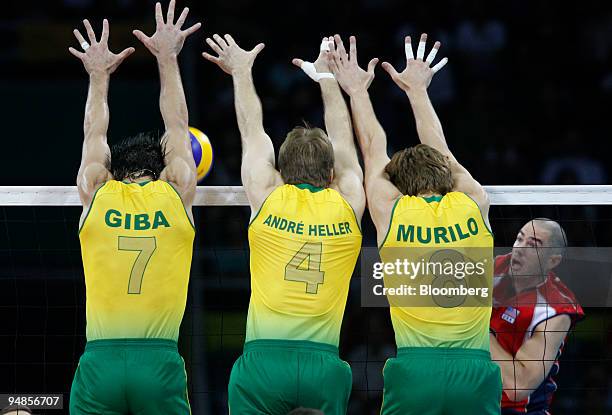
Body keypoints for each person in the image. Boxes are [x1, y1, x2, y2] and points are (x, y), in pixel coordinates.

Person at [329, 33, 501, 414]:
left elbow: (373, 149)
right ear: (446, 175)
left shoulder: (391, 213)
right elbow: (442, 152)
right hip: (475, 369)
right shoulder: (473, 203)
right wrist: (417, 91)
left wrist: (357, 91)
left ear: (399, 186)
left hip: (415, 369)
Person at [203, 36, 364, 414]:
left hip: (263, 363)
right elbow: (344, 141)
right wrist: (326, 77)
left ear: (280, 170)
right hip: (323, 365)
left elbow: (251, 131)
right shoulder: (347, 203)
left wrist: (241, 72)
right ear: (330, 174)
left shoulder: (267, 194)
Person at [68, 2, 200, 413]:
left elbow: (94, 129)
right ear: (160, 170)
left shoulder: (96, 190)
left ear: (113, 169)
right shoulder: (174, 191)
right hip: (158, 364)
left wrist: (98, 76)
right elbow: (178, 126)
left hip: (100, 361)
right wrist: (168, 57)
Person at [490, 219, 584, 413]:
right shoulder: (496, 267)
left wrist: (474, 328)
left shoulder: (555, 311)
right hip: (470, 398)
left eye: (533, 245)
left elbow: (519, 387)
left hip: (516, 410)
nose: (519, 249)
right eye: (519, 239)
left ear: (553, 261)